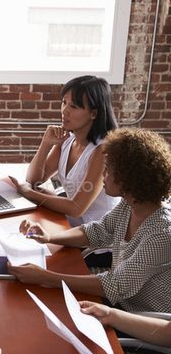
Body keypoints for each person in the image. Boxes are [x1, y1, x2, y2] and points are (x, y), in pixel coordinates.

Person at [9, 128, 171, 314]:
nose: (103, 174)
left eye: (108, 169)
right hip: (117, 303)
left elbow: (114, 285)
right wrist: (49, 237)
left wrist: (46, 277)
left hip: (139, 319)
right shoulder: (130, 205)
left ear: (129, 178)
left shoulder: (162, 233)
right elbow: (97, 231)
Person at [10, 75, 118, 228]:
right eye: (64, 102)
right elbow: (34, 180)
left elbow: (76, 208)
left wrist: (30, 193)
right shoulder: (67, 140)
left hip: (98, 241)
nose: (64, 111)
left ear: (94, 113)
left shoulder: (102, 151)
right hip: (73, 228)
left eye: (73, 106)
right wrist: (45, 144)